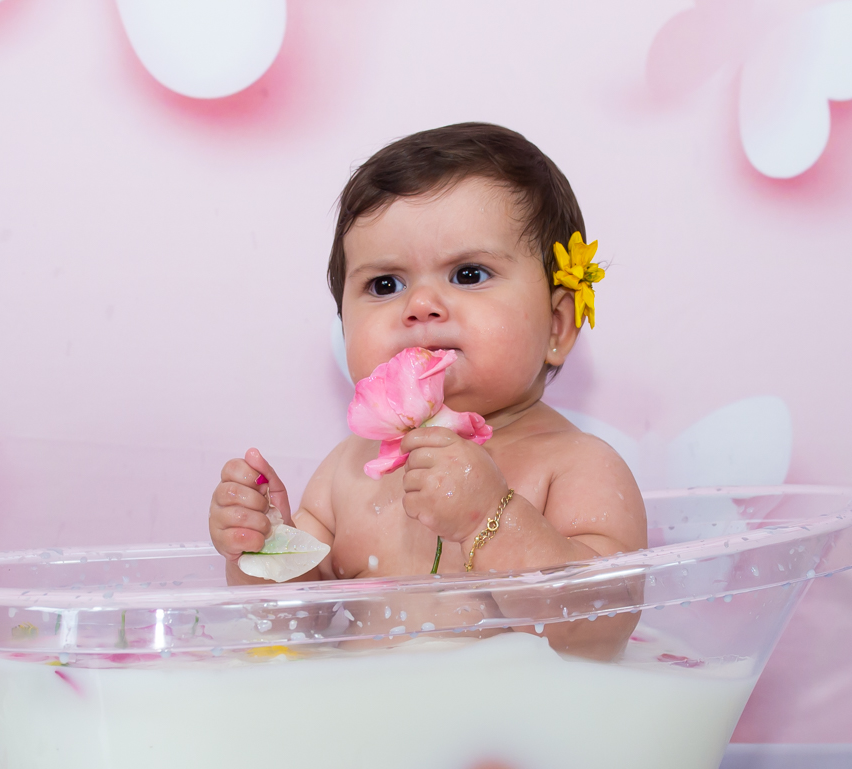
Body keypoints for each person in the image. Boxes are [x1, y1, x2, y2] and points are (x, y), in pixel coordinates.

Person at [208, 122, 647, 655]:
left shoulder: (577, 467)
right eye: (385, 285)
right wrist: (266, 548)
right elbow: (295, 626)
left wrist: (490, 519)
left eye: (468, 274)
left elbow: (601, 628)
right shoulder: (346, 474)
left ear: (557, 325)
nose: (420, 305)